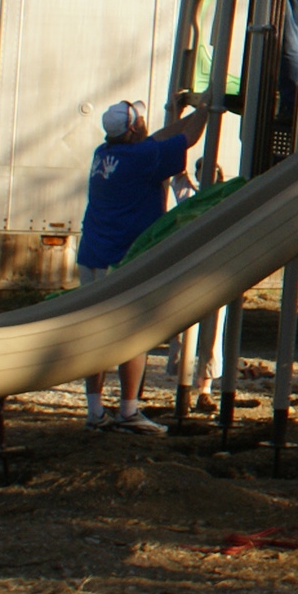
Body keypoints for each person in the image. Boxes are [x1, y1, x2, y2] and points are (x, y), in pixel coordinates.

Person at [76, 94, 209, 435]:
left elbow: (156, 140)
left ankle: (94, 411)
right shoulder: (142, 158)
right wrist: (208, 106)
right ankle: (128, 411)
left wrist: (187, 111)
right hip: (123, 258)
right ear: (134, 128)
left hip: (92, 255)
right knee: (133, 334)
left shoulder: (105, 153)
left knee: (94, 333)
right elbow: (187, 139)